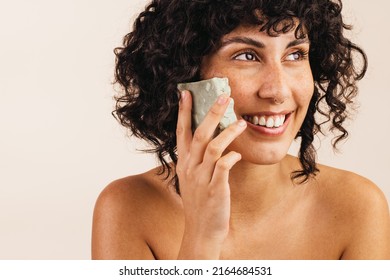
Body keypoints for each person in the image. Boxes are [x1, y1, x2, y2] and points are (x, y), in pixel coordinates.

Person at [91, 0, 390, 259]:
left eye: (295, 54)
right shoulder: (126, 209)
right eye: (247, 56)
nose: (278, 91)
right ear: (185, 74)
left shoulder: (357, 207)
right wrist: (201, 239)